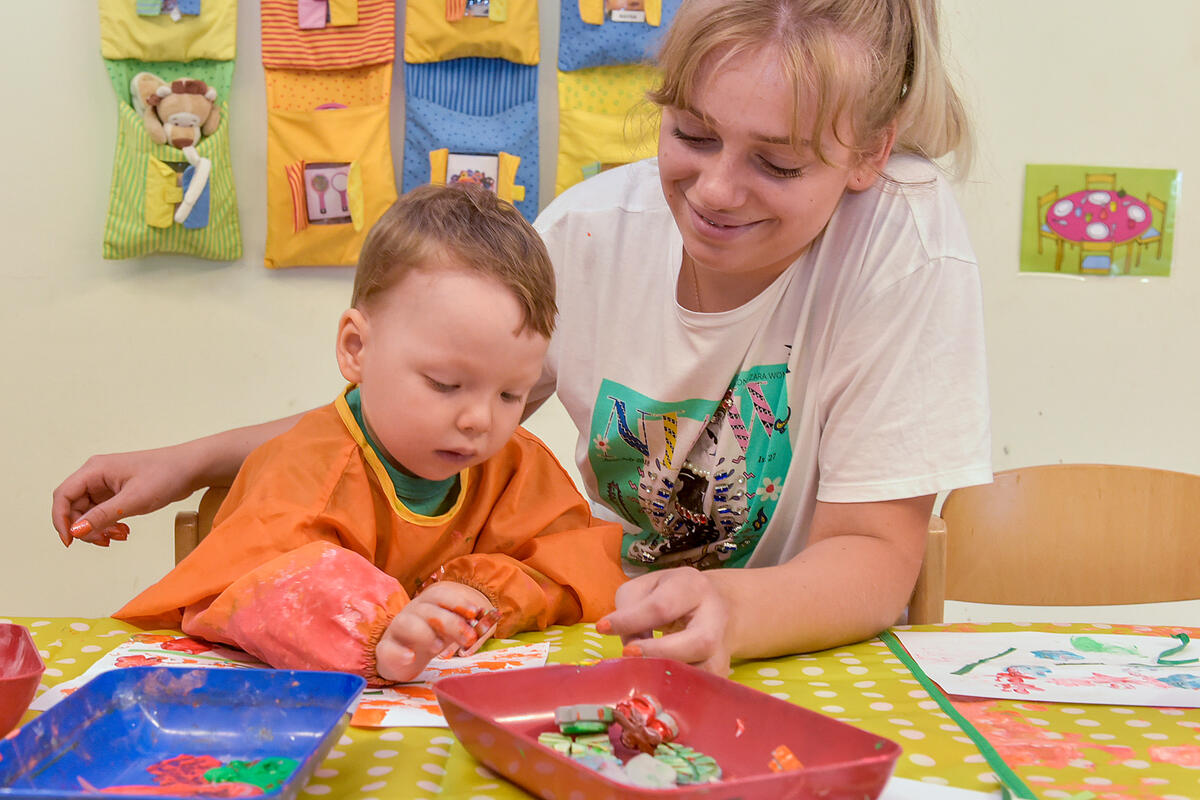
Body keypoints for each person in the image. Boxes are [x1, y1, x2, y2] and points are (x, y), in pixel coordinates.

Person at [53, 0, 990, 676]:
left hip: (786, 652)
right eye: (692, 135)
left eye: (778, 163)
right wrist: (193, 458)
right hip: (603, 639)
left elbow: (874, 553)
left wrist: (733, 608)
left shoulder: (902, 233)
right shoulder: (587, 231)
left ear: (871, 151)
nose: (714, 191)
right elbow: (415, 408)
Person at [110, 184, 628, 684]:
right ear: (356, 348)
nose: (480, 420)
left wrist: (482, 595)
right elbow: (258, 583)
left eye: (510, 395)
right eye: (445, 384)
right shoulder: (306, 468)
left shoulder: (516, 468)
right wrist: (378, 631)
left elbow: (579, 563)